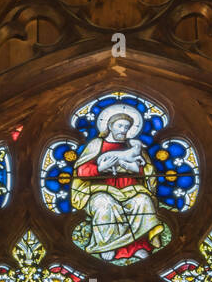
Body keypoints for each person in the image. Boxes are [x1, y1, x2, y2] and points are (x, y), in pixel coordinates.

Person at [70, 106, 169, 262]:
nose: (124, 130)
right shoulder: (97, 144)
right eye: (120, 126)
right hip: (100, 189)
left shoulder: (133, 146)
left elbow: (148, 171)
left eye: (127, 127)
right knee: (104, 203)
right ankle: (107, 246)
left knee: (143, 201)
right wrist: (101, 168)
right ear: (110, 126)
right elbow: (81, 171)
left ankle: (139, 247)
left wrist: (134, 168)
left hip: (131, 189)